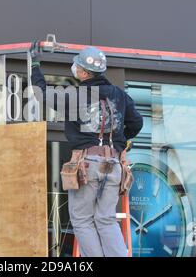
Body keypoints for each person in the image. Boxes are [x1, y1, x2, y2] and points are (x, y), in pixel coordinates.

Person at [30, 43, 143, 257]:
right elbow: (136, 123)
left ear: (82, 71)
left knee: (82, 218)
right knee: (105, 219)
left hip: (87, 164)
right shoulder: (119, 95)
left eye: (76, 67)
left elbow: (41, 94)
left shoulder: (76, 94)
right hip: (114, 165)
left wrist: (35, 64)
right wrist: (119, 143)